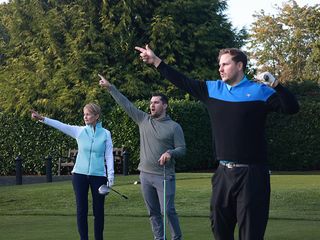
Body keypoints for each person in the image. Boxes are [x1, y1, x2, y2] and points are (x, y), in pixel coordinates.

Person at [135, 45, 299, 240]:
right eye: (219, 65)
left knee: (251, 233)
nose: (220, 69)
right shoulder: (212, 89)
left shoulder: (259, 91)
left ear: (239, 66)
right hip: (223, 174)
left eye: (225, 64)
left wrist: (277, 85)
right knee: (220, 229)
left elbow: (291, 108)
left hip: (253, 174)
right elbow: (183, 81)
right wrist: (156, 62)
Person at [98, 74, 186, 240]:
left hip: (164, 176)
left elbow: (182, 149)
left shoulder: (174, 127)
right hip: (145, 175)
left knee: (167, 210)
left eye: (156, 102)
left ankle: (177, 238)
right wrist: (110, 87)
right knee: (153, 212)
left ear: (165, 105)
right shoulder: (143, 120)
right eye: (151, 102)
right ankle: (158, 238)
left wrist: (170, 153)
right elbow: (126, 104)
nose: (152, 105)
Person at [31, 103, 114, 240]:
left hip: (99, 176)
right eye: (84, 114)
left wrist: (110, 176)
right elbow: (61, 125)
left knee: (98, 211)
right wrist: (42, 118)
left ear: (96, 116)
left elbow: (108, 155)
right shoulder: (79, 131)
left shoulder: (106, 134)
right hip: (79, 175)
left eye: (88, 114)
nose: (85, 117)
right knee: (82, 210)